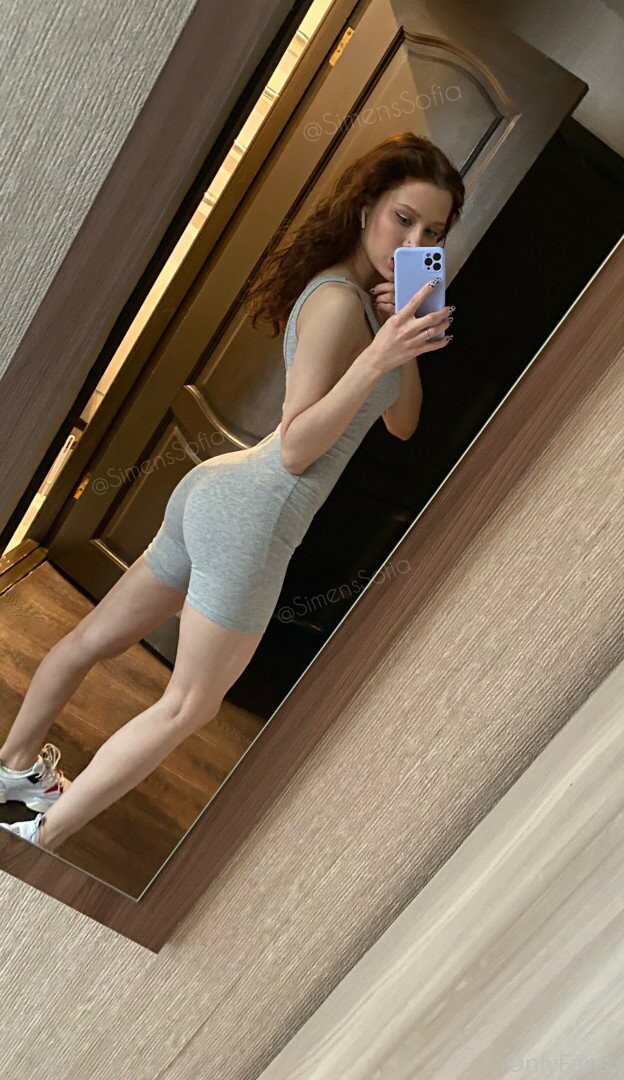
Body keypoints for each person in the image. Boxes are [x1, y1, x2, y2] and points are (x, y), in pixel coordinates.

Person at [0, 132, 464, 852]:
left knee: (96, 639)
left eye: (432, 233)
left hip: (223, 494)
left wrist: (407, 339)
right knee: (189, 705)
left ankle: (12, 772)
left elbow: (402, 424)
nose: (413, 242)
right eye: (403, 219)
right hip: (255, 513)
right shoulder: (338, 303)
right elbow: (299, 444)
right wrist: (377, 356)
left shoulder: (371, 311)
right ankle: (42, 835)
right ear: (367, 206)